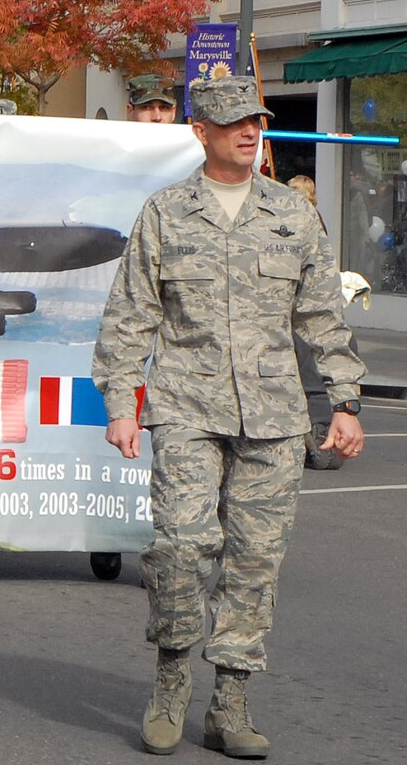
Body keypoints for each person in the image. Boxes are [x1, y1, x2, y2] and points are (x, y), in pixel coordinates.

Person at [93, 76, 365, 757]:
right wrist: (122, 404)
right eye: (235, 121)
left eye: (257, 120)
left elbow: (322, 316)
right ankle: (171, 677)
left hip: (274, 416)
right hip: (186, 406)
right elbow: (131, 316)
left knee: (255, 563)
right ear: (201, 131)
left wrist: (346, 400)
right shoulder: (166, 212)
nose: (250, 131)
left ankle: (230, 704)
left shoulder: (291, 215)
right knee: (181, 549)